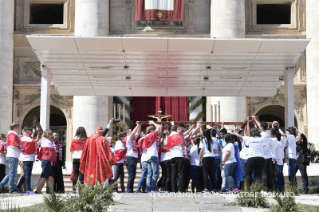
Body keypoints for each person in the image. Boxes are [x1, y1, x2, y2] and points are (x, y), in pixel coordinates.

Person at [253, 117, 273, 191]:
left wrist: (255, 120)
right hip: (269, 155)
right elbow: (261, 126)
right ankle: (271, 188)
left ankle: (264, 188)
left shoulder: (261, 135)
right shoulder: (267, 132)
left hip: (263, 156)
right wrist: (256, 120)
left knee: (263, 173)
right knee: (269, 173)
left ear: (261, 127)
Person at [16, 126, 38, 194]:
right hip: (27, 158)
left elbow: (34, 142)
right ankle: (28, 189)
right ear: (26, 130)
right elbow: (35, 142)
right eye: (30, 129)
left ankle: (18, 187)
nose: (31, 130)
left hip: (28, 158)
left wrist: (35, 133)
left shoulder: (27, 138)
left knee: (26, 174)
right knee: (27, 174)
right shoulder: (26, 138)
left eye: (31, 129)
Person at [0, 123, 21, 193]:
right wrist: (21, 151)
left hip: (12, 156)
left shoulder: (13, 134)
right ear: (14, 127)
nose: (19, 129)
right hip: (12, 156)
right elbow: (13, 146)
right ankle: (11, 189)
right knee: (12, 173)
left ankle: (1, 185)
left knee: (12, 172)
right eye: (18, 127)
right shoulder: (13, 134)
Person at [167, 124, 186, 192]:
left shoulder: (169, 136)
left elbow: (168, 147)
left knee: (173, 173)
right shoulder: (178, 135)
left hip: (172, 155)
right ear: (176, 129)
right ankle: (180, 189)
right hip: (179, 155)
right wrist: (185, 154)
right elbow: (183, 145)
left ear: (170, 130)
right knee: (181, 173)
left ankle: (173, 189)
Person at [144, 120, 161, 193]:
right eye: (153, 130)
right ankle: (153, 189)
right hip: (153, 156)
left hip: (148, 157)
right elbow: (159, 127)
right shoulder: (151, 135)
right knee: (155, 173)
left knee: (149, 174)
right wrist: (153, 123)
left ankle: (148, 189)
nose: (155, 131)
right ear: (151, 130)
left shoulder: (146, 136)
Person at [199, 129, 218, 193]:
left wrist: (199, 160)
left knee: (205, 173)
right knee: (211, 173)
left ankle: (206, 188)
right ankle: (214, 188)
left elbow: (201, 150)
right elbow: (215, 151)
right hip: (212, 157)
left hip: (206, 157)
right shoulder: (212, 140)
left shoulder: (203, 140)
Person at [70, 127, 88, 191]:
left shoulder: (74, 140)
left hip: (75, 158)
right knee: (81, 174)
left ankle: (74, 189)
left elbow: (71, 150)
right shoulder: (85, 140)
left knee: (75, 174)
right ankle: (80, 190)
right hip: (82, 158)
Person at [125, 123, 141, 193]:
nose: (132, 132)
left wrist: (140, 125)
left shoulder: (133, 139)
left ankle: (130, 189)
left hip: (134, 158)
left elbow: (138, 133)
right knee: (131, 175)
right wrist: (137, 125)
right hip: (130, 158)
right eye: (130, 131)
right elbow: (134, 133)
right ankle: (129, 190)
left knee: (133, 175)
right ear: (128, 133)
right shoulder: (128, 138)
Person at [272, 128, 286, 192]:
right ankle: (281, 189)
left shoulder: (276, 143)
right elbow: (283, 136)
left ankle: (278, 190)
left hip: (276, 162)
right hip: (281, 161)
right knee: (280, 176)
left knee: (277, 176)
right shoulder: (281, 143)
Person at [295, 127, 309, 193]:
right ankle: (294, 189)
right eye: (296, 138)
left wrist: (298, 131)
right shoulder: (293, 145)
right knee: (292, 175)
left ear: (301, 139)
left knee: (304, 175)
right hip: (294, 161)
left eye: (299, 138)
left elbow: (305, 138)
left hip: (301, 162)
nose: (297, 139)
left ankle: (305, 190)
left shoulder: (303, 144)